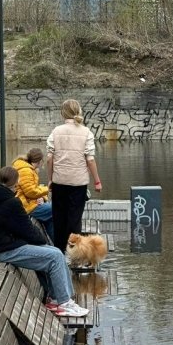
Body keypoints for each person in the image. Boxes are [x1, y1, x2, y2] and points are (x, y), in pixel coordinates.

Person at [0, 166, 88, 317]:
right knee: (55, 256)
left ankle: (58, 299)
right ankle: (63, 303)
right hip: (5, 249)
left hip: (1, 245)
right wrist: (42, 242)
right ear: (16, 184)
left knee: (55, 252)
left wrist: (42, 244)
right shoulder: (10, 202)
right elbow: (28, 230)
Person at [46, 99, 102, 252]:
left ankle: (59, 252)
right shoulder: (86, 132)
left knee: (59, 219)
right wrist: (97, 181)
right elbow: (90, 160)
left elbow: (49, 158)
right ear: (79, 111)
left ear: (63, 113)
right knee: (74, 220)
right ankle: (74, 254)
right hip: (78, 183)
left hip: (59, 182)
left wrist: (50, 179)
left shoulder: (56, 131)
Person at [12, 148, 53, 242]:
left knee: (50, 218)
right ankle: (60, 243)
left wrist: (42, 197)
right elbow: (30, 192)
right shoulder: (26, 170)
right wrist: (48, 189)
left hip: (30, 202)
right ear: (40, 161)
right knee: (57, 210)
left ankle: (57, 244)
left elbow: (33, 189)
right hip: (26, 205)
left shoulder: (28, 169)